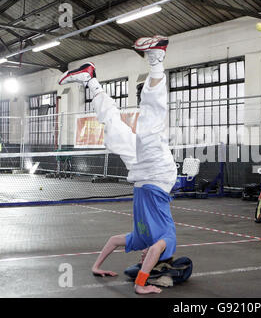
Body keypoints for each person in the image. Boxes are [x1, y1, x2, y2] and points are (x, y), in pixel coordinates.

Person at [59, 35, 178, 294]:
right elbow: (156, 250)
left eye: (141, 257)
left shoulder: (138, 239)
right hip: (159, 175)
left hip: (140, 175)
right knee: (150, 126)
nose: (142, 254)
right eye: (145, 258)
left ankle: (90, 80)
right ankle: (157, 58)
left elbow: (113, 242)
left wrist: (96, 266)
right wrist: (140, 284)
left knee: (114, 132)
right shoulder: (165, 243)